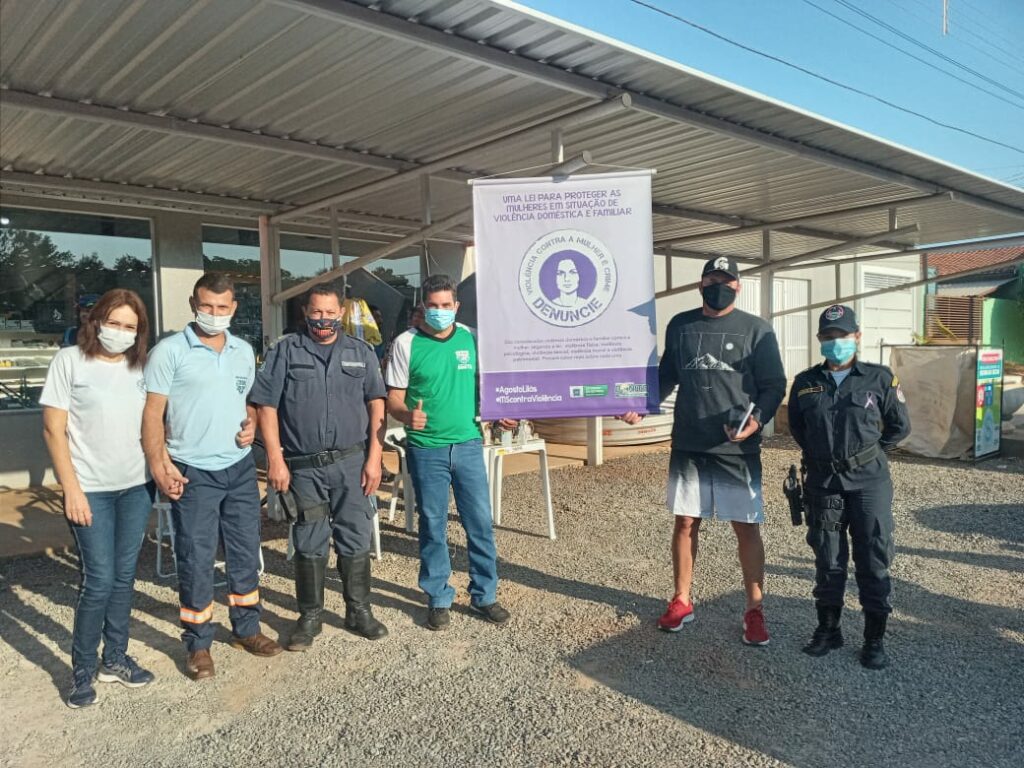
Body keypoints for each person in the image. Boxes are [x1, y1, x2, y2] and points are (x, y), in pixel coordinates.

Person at [624, 256, 786, 645]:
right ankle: (681, 600)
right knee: (684, 522)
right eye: (712, 279)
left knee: (746, 526)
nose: (719, 285)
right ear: (700, 284)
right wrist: (641, 405)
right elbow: (666, 377)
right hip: (690, 444)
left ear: (738, 286)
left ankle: (754, 609)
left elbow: (774, 384)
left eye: (727, 280)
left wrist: (757, 421)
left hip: (736, 449)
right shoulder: (681, 325)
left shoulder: (757, 330)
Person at [142, 273, 281, 680]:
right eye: (207, 306)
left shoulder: (242, 350)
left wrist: (252, 425)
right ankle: (198, 643)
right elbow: (152, 414)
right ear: (193, 304)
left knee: (243, 551)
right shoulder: (168, 352)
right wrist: (158, 464)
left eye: (222, 308)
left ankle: (247, 630)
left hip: (237, 469)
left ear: (234, 308)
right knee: (196, 557)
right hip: (192, 471)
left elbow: (248, 402)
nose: (215, 314)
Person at [250, 283, 388, 650]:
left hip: (352, 463)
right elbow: (266, 407)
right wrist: (275, 460)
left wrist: (375, 458)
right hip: (304, 468)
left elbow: (377, 405)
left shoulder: (362, 353)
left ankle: (358, 610)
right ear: (305, 312)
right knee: (309, 541)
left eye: (330, 312)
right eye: (316, 312)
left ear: (340, 312)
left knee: (355, 536)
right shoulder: (285, 352)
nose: (323, 319)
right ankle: (309, 616)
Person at [40, 289, 156, 708]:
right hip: (90, 489)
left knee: (124, 578)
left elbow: (156, 423)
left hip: (136, 487)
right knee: (99, 580)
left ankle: (116, 658)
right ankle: (82, 671)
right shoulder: (70, 361)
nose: (120, 332)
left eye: (130, 326)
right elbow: (54, 430)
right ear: (96, 322)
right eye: (114, 323)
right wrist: (70, 488)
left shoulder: (141, 366)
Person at [385, 274, 513, 631]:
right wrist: (406, 414)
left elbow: (491, 388)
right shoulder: (405, 344)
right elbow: (393, 396)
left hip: (469, 444)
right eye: (433, 306)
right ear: (422, 306)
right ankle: (438, 596)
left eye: (446, 306)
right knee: (433, 526)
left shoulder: (473, 338)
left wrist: (499, 412)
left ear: (456, 306)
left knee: (480, 525)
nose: (440, 312)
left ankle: (484, 595)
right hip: (426, 450)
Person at [788, 304, 910, 670]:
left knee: (873, 557)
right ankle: (829, 629)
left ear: (856, 337)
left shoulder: (880, 378)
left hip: (869, 483)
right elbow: (798, 428)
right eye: (827, 337)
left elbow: (898, 427)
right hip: (824, 482)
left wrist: (867, 457)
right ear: (820, 341)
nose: (835, 342)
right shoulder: (806, 382)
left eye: (841, 335)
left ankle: (874, 639)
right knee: (827, 557)